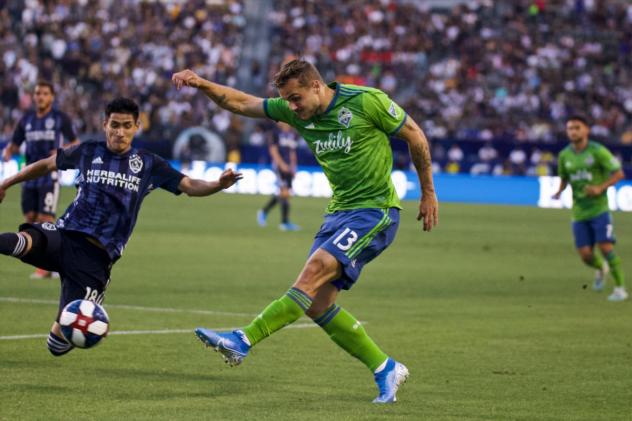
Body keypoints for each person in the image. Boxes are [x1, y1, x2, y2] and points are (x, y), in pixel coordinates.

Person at [172, 59, 438, 403]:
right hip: (338, 213)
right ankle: (385, 367)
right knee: (316, 304)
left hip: (375, 211)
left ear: (316, 86)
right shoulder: (297, 111)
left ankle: (242, 340)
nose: (293, 108)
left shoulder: (366, 101)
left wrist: (428, 192)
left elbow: (415, 135)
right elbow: (239, 102)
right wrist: (201, 83)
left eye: (296, 98)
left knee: (311, 274)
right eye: (288, 101)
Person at [0, 97, 242, 356]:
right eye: (114, 125)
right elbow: (47, 164)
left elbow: (190, 186)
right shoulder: (87, 151)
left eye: (127, 125)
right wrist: (6, 183)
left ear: (137, 126)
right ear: (104, 124)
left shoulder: (149, 164)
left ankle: (63, 323)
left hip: (96, 260)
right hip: (65, 235)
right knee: (26, 240)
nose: (120, 132)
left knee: (58, 345)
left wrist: (218, 184)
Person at [2, 81, 80, 279]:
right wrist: (9, 151)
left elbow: (75, 142)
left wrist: (63, 152)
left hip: (49, 175)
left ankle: (49, 267)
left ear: (52, 97)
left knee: (46, 219)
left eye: (45, 93)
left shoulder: (59, 118)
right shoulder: (26, 120)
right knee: (30, 219)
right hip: (29, 175)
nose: (40, 97)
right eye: (37, 93)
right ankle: (42, 262)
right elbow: (15, 142)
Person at [553, 115, 627, 301]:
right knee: (585, 255)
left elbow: (619, 173)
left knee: (605, 247)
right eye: (570, 128)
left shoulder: (598, 151)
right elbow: (564, 177)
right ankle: (601, 268)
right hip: (579, 211)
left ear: (587, 130)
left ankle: (620, 288)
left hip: (599, 209)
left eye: (577, 127)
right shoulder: (564, 155)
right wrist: (559, 191)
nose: (573, 131)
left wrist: (599, 188)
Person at [257, 122, 300, 231]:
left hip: (289, 167)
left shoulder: (292, 134)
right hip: (279, 167)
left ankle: (264, 212)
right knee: (284, 192)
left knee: (284, 193)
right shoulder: (275, 133)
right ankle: (284, 223)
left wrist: (293, 167)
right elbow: (273, 151)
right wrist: (281, 165)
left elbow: (292, 152)